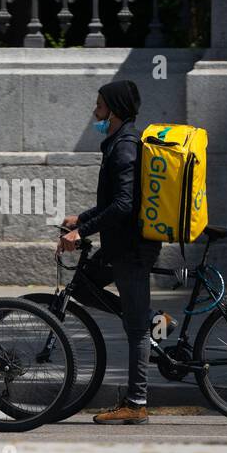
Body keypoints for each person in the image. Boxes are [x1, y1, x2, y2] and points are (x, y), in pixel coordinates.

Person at [58, 79, 162, 425]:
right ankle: (150, 317)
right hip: (119, 245)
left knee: (136, 331)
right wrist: (83, 217)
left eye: (100, 105)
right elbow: (112, 203)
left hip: (131, 249)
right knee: (85, 284)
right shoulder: (119, 141)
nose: (95, 111)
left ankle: (136, 402)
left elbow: (123, 204)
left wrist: (80, 231)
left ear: (114, 110)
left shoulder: (126, 146)